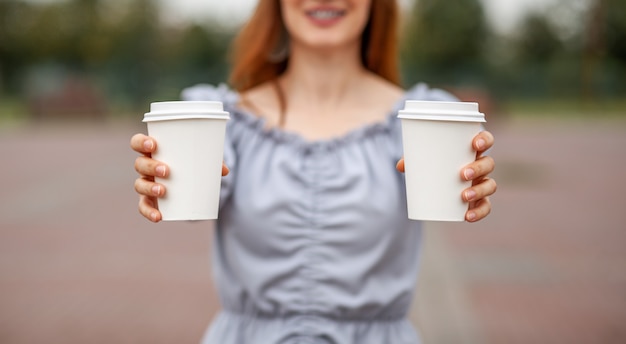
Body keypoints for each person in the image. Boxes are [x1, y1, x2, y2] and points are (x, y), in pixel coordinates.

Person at [131, 0, 497, 343]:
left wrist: (471, 186)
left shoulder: (422, 119)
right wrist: (162, 182)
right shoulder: (220, 117)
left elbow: (457, 189)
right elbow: (195, 195)